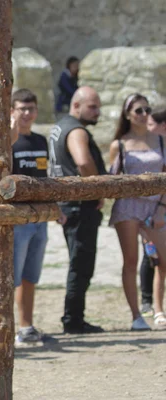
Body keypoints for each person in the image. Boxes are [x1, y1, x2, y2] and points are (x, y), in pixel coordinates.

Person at [48, 86, 106, 334]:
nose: (97, 112)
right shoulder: (76, 130)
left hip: (69, 205)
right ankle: (73, 320)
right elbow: (82, 161)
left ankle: (74, 317)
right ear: (76, 105)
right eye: (92, 106)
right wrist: (98, 190)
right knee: (81, 265)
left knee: (78, 263)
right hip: (79, 207)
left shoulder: (61, 126)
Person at [109, 94, 166, 330]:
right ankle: (136, 316)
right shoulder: (119, 144)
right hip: (128, 206)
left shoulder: (161, 140)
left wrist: (162, 206)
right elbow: (111, 180)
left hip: (156, 205)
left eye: (147, 110)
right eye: (139, 110)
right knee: (131, 262)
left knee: (162, 261)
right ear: (128, 114)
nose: (144, 115)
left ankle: (158, 309)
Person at [10, 89, 50, 345]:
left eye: (31, 108)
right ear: (12, 111)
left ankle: (26, 326)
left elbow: (46, 176)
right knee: (8, 276)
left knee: (30, 275)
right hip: (15, 218)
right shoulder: (8, 140)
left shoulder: (40, 141)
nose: (27, 113)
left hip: (40, 218)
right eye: (22, 108)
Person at [140, 105, 166, 316]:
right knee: (156, 260)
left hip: (160, 210)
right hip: (154, 212)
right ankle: (153, 306)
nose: (146, 128)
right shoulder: (151, 147)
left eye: (150, 124)